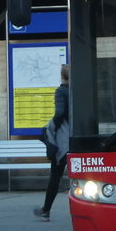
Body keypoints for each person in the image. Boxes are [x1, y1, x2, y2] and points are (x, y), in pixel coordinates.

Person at [34, 63, 70, 222]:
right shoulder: (80, 90)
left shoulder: (61, 91)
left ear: (62, 76)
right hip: (79, 137)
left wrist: (52, 126)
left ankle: (46, 210)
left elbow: (60, 112)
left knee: (55, 175)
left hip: (63, 140)